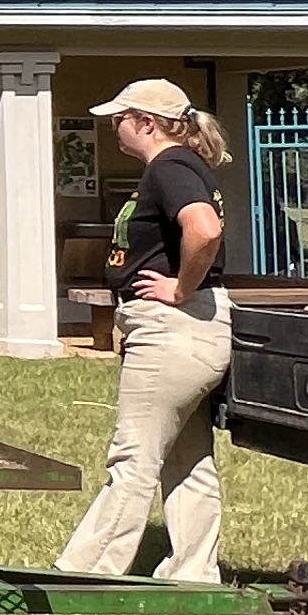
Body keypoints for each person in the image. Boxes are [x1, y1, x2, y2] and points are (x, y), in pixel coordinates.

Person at [60, 79, 233, 581]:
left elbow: (204, 229)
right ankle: (193, 570)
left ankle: (89, 571)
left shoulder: (171, 166)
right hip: (193, 329)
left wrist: (180, 289)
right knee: (188, 458)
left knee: (134, 456)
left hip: (174, 328)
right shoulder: (179, 167)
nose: (115, 126)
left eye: (121, 118)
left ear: (148, 123)